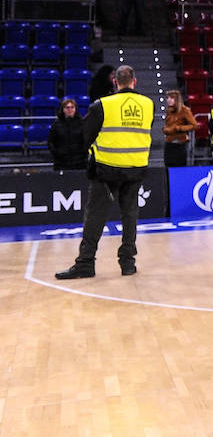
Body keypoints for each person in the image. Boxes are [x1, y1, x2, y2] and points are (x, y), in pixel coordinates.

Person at [55, 64, 153, 279]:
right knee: (130, 215)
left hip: (106, 170)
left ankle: (86, 263)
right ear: (134, 82)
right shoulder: (149, 104)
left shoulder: (102, 105)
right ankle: (128, 263)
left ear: (115, 82)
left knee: (96, 216)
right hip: (136, 168)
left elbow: (85, 135)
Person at [48, 97, 87, 170]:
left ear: (75, 109)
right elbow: (50, 142)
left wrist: (83, 154)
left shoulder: (82, 123)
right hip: (61, 163)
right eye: (67, 107)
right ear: (63, 110)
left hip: (79, 163)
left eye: (72, 107)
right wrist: (56, 153)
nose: (70, 109)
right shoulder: (56, 124)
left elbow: (86, 141)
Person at [162, 89, 197, 168]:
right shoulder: (169, 111)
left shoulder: (185, 110)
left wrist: (179, 128)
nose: (168, 100)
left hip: (180, 145)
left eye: (171, 98)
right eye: (167, 98)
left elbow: (194, 125)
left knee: (180, 169)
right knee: (168, 169)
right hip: (169, 144)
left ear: (177, 99)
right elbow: (169, 126)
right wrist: (166, 130)